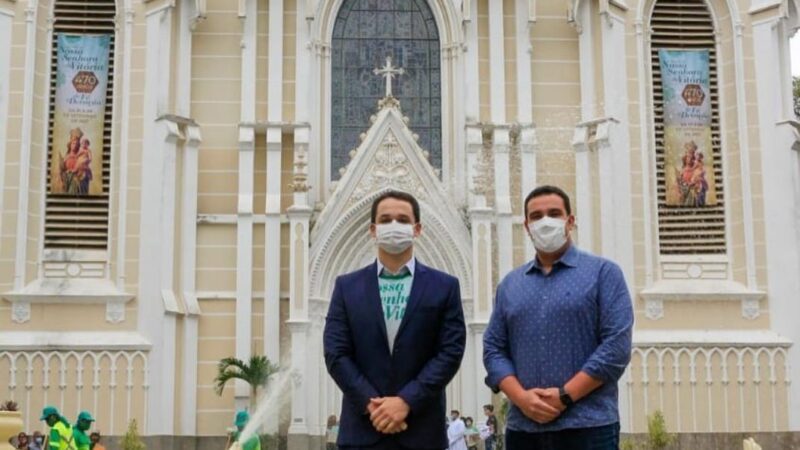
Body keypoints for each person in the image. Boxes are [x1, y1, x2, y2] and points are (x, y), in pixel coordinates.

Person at [483, 185, 634, 450]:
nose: (545, 221)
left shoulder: (603, 274)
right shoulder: (510, 285)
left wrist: (564, 396)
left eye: (554, 213)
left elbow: (616, 347)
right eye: (536, 216)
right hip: (523, 429)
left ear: (570, 221)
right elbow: (494, 349)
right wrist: (521, 399)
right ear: (527, 226)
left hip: (588, 426)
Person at [323, 190, 467, 449]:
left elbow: (450, 353)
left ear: (417, 228)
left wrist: (406, 402)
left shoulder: (445, 287)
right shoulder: (346, 287)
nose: (394, 226)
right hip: (362, 432)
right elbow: (336, 354)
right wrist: (372, 405)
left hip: (422, 432)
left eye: (402, 219)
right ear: (373, 229)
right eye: (386, 219)